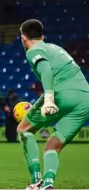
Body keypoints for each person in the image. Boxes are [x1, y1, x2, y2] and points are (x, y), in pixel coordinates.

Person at [17, 19, 89, 189]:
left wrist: (49, 97)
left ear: (23, 38)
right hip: (85, 99)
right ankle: (48, 183)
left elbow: (45, 70)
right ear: (42, 36)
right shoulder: (56, 48)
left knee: (23, 130)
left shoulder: (33, 50)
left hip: (62, 94)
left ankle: (36, 181)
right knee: (53, 145)